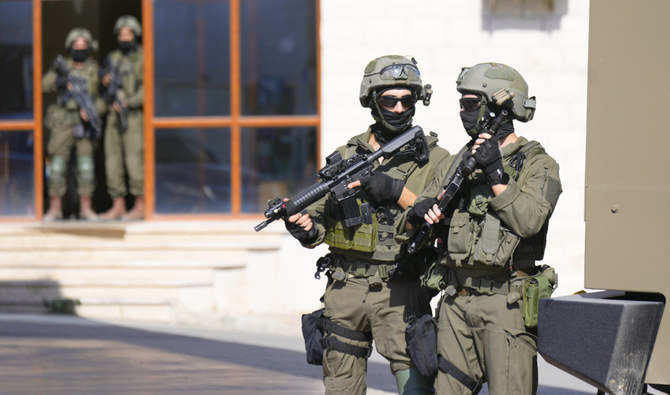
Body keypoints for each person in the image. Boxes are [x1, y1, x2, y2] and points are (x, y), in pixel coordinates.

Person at [285, 55, 449, 394]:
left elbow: (438, 216)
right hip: (346, 288)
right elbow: (317, 217)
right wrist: (304, 228)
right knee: (341, 384)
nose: (400, 108)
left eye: (408, 99)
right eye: (390, 100)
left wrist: (396, 191)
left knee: (415, 385)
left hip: (400, 288)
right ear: (373, 101)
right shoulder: (346, 156)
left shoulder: (435, 159)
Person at [406, 62, 562, 394]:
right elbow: (420, 217)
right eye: (462, 103)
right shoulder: (454, 163)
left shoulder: (538, 164)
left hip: (506, 305)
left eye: (471, 103)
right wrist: (419, 211)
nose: (464, 111)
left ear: (498, 107)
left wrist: (496, 176)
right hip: (455, 302)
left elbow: (531, 221)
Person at [43, 28, 105, 221]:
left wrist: (94, 110)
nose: (80, 49)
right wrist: (61, 82)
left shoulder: (95, 70)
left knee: (86, 166)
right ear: (70, 47)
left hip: (84, 125)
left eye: (83, 46)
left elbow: (105, 97)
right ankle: (55, 208)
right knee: (58, 165)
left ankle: (86, 208)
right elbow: (44, 84)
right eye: (76, 46)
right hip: (63, 121)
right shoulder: (62, 68)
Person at [99, 15, 145, 220]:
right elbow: (103, 86)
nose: (124, 37)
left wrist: (131, 101)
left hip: (133, 116)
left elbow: (148, 87)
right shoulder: (113, 58)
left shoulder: (144, 57)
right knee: (112, 160)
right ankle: (118, 205)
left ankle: (140, 204)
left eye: (128, 33)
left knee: (134, 160)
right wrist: (105, 81)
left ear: (135, 35)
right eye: (121, 34)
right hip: (113, 115)